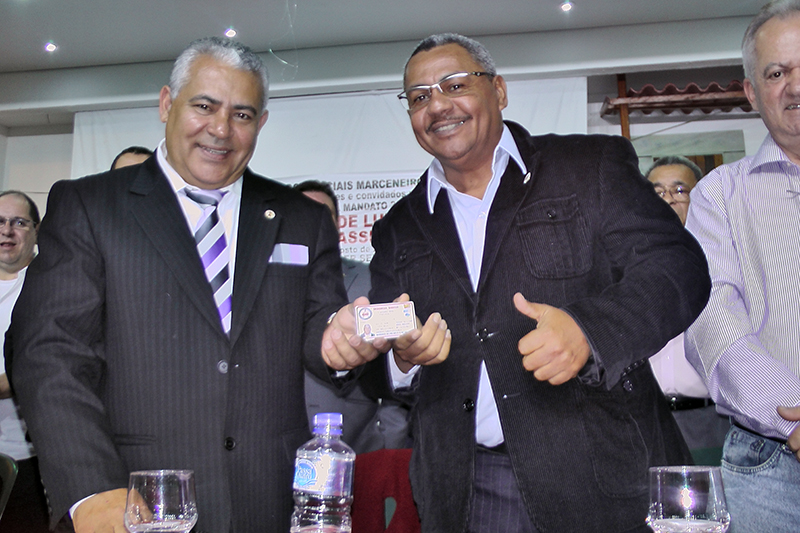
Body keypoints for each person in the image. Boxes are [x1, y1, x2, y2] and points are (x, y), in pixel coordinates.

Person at [7, 37, 379, 533]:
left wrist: (341, 342)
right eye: (204, 106)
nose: (221, 129)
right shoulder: (91, 207)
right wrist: (90, 488)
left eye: (242, 114)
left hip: (268, 501)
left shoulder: (301, 218)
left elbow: (319, 328)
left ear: (261, 122)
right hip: (136, 501)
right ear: (167, 104)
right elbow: (48, 351)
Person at [364, 33, 710, 533]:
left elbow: (677, 266)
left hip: (604, 477)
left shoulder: (588, 165)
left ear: (498, 90)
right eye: (419, 97)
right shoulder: (400, 224)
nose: (436, 105)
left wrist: (590, 331)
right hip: (468, 490)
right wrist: (397, 356)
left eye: (455, 85)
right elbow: (381, 335)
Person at [685, 1, 800, 530]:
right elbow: (713, 319)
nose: (795, 86)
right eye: (777, 73)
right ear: (752, 92)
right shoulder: (719, 195)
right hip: (770, 464)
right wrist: (792, 413)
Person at [294, 180, 411, 453]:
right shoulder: (261, 287)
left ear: (338, 225)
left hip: (359, 450)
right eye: (302, 214)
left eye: (321, 215)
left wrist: (388, 440)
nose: (312, 223)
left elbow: (398, 360)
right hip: (276, 453)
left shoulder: (372, 281)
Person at [644, 157, 730, 463]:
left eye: (680, 190)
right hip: (647, 419)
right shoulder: (625, 264)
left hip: (709, 420)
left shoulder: (722, 259)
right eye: (657, 192)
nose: (668, 199)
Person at [0, 191, 49, 532]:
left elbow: (35, 367)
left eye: (18, 222)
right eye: (0, 222)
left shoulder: (50, 285)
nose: (7, 231)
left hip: (26, 458)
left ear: (37, 230)